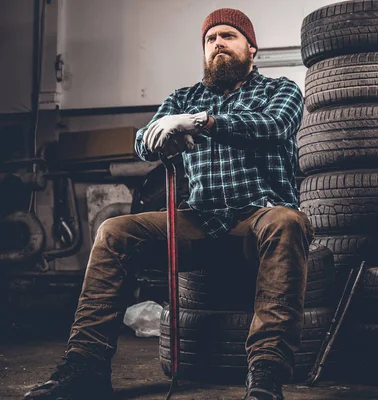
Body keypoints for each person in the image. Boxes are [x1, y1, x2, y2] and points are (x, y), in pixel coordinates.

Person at [24, 8, 311, 400]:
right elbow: (144, 141)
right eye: (210, 40)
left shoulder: (280, 91)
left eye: (228, 36)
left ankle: (266, 374)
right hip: (200, 220)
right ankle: (84, 366)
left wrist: (203, 122)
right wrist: (159, 137)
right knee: (113, 232)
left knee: (288, 221)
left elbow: (273, 125)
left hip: (258, 218)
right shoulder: (183, 97)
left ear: (252, 48)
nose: (218, 45)